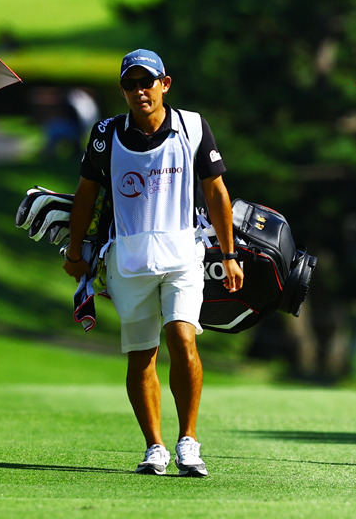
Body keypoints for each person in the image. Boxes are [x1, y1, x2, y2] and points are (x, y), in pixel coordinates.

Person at [61, 49, 242, 477]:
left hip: (182, 253)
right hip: (128, 258)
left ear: (165, 83)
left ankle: (189, 441)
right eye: (130, 84)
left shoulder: (193, 127)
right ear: (122, 89)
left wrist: (230, 254)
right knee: (141, 355)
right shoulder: (105, 134)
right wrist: (76, 251)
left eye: (147, 82)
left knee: (183, 338)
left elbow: (216, 193)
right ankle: (155, 446)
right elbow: (86, 194)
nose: (140, 91)